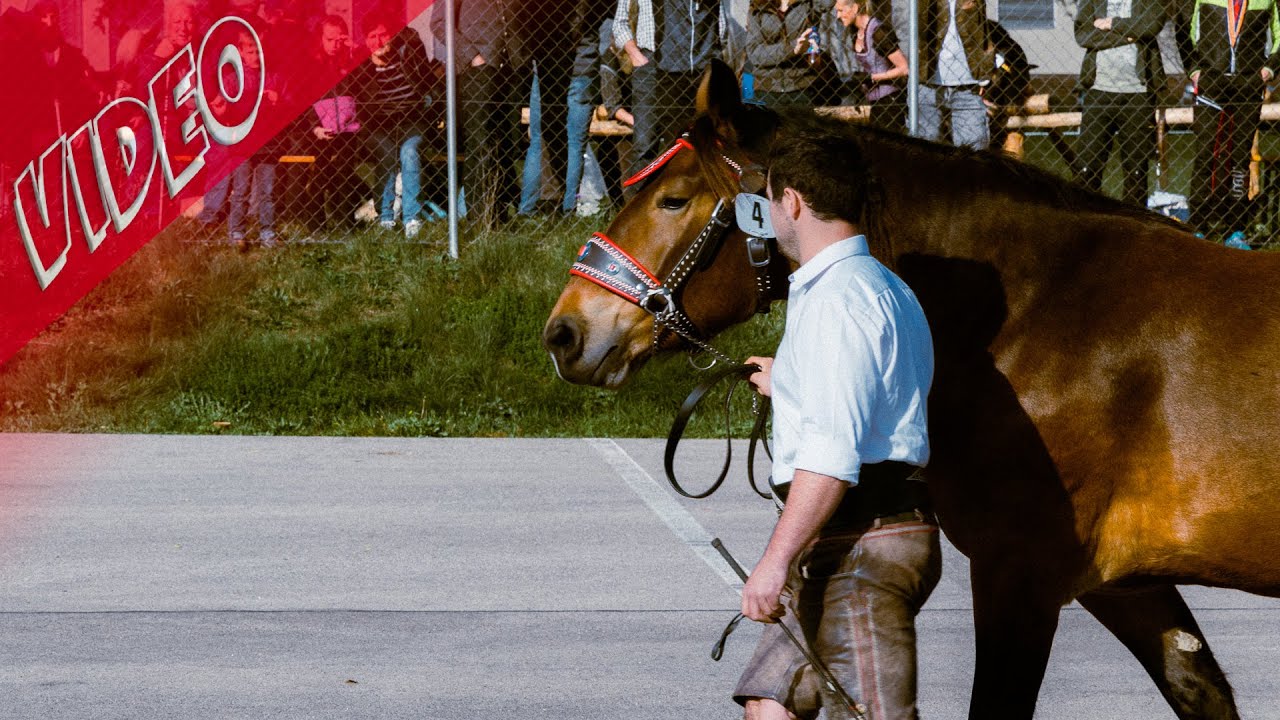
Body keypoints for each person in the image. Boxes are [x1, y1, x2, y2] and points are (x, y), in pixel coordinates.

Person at [734, 122, 940, 720]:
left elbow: (832, 455)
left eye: (770, 200)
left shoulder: (838, 301)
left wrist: (774, 562)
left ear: (792, 201)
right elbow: (872, 397)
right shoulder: (881, 286)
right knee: (769, 702)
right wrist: (789, 382)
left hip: (863, 545)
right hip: (851, 538)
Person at [1185, 0, 1280, 238]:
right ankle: (1198, 224)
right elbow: (1184, 31)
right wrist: (1195, 70)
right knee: (1206, 154)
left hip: (1248, 84)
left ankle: (1235, 228)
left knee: (1239, 157)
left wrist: (1269, 69)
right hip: (1211, 82)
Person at [614, 0, 725, 197]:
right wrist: (636, 55)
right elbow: (619, 24)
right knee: (645, 142)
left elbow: (720, 23)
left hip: (687, 69)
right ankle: (636, 204)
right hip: (649, 64)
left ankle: (677, 200)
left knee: (682, 141)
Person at [351, 14, 437, 238]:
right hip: (378, 126)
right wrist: (369, 67)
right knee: (387, 153)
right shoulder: (361, 65)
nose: (379, 41)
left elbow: (428, 81)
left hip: (411, 120)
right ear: (365, 41)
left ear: (393, 36)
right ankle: (386, 218)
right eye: (372, 37)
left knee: (409, 152)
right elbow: (358, 101)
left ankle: (411, 218)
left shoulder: (407, 53)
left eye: (383, 35)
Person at [1073, 0, 1165, 206]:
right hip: (1099, 91)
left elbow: (1152, 25)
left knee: (1136, 170)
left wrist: (1112, 24)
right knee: (1087, 167)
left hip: (1138, 93)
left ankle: (1131, 222)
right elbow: (1083, 34)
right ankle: (1086, 218)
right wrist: (1130, 34)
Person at [822, 0, 908, 129]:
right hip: (873, 99)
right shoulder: (856, 32)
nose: (837, 16)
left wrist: (872, 77)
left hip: (890, 99)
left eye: (840, 10)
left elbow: (904, 68)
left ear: (855, 8)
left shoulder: (878, 32)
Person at [916, 0, 990, 149]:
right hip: (927, 83)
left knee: (974, 150)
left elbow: (983, 34)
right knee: (924, 150)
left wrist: (984, 76)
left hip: (968, 84)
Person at [746, 0, 822, 108]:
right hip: (766, 88)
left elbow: (829, 4)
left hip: (801, 85)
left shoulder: (807, 4)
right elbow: (755, 53)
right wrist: (792, 49)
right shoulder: (758, 7)